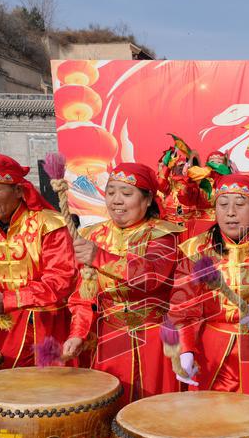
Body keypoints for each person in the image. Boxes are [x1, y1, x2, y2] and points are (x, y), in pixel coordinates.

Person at [62, 162, 183, 404]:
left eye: (127, 194)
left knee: (155, 411)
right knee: (111, 407)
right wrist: (78, 333)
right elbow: (84, 295)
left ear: (148, 200)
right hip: (109, 337)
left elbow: (150, 277)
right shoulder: (93, 235)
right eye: (110, 192)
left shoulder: (163, 235)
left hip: (153, 341)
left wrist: (99, 257)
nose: (116, 200)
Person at [168, 174, 249, 401]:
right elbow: (183, 308)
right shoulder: (196, 250)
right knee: (212, 420)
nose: (231, 212)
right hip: (212, 351)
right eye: (223, 204)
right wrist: (186, 349)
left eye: (240, 204)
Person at [0, 154, 76, 367]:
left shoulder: (49, 225)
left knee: (59, 389)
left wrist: (8, 300)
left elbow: (60, 282)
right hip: (11, 324)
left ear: (18, 191)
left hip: (52, 323)